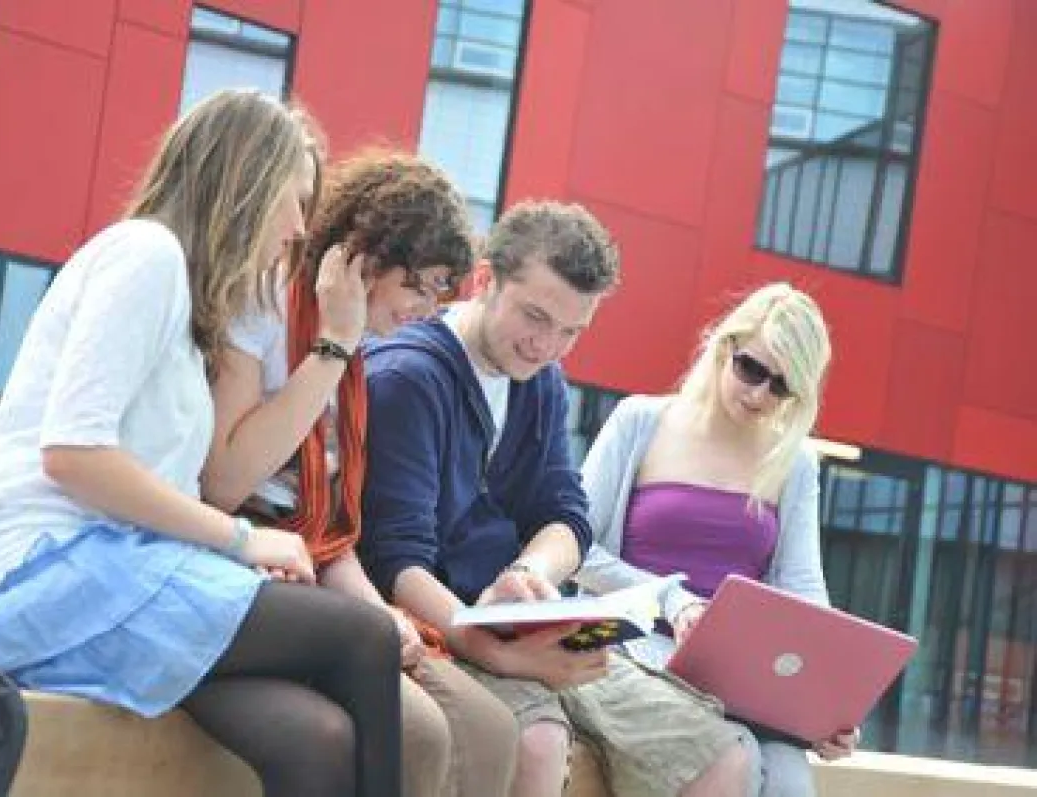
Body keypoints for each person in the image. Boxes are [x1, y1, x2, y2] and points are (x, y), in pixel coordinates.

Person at [0, 90, 401, 797]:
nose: (297, 226)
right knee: (364, 637)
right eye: (292, 200)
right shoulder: (147, 254)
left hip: (111, 573)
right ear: (243, 184)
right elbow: (74, 454)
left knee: (314, 736)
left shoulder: (184, 291)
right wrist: (239, 541)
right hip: (33, 564)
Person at [358, 200, 750, 797]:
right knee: (537, 744)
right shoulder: (407, 376)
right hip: (438, 624)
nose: (547, 346)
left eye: (571, 331)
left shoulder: (539, 381)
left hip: (527, 624)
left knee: (720, 757)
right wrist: (488, 642)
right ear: (486, 280)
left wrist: (527, 573)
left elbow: (566, 516)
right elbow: (395, 560)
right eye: (535, 317)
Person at [202, 149, 519, 797]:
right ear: (364, 257)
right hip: (239, 562)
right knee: (423, 733)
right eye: (421, 283)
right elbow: (227, 486)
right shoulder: (271, 313)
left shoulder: (356, 364)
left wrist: (385, 615)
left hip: (318, 577)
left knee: (492, 726)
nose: (429, 308)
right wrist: (334, 342)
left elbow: (331, 533)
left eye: (442, 291)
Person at [576, 282, 857, 796]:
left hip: (739, 677)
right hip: (635, 651)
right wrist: (670, 597)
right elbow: (577, 549)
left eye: (781, 386)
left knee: (793, 782)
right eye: (751, 369)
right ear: (724, 346)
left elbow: (802, 587)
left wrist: (827, 701)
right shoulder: (642, 421)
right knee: (738, 760)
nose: (758, 393)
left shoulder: (794, 462)